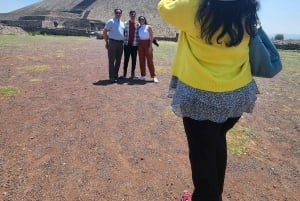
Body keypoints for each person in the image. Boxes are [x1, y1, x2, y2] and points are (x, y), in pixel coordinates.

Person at [158, 0, 259, 200]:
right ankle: (212, 194)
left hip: (201, 98)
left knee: (201, 156)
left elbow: (163, 6)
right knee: (216, 141)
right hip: (238, 95)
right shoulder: (247, 9)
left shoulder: (194, 7)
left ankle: (206, 196)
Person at [103, 8, 125, 83]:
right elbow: (105, 32)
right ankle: (111, 76)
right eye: (117, 13)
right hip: (112, 42)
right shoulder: (111, 21)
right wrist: (106, 42)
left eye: (119, 13)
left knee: (118, 60)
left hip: (120, 43)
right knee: (112, 60)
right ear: (114, 13)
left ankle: (115, 75)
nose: (118, 14)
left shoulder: (122, 23)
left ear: (121, 14)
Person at [137, 16, 159, 83]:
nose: (142, 20)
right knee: (141, 60)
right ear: (139, 20)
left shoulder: (148, 27)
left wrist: (150, 46)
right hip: (140, 44)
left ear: (145, 20)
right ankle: (143, 75)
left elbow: (152, 37)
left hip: (147, 44)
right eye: (140, 19)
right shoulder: (139, 27)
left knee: (150, 61)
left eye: (143, 19)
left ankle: (154, 76)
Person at [120, 10, 140, 79]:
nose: (133, 15)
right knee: (126, 60)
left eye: (134, 14)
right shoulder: (125, 23)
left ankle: (132, 74)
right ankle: (124, 74)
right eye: (131, 14)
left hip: (134, 45)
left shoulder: (138, 24)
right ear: (129, 15)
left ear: (135, 15)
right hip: (127, 44)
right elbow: (122, 32)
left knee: (134, 60)